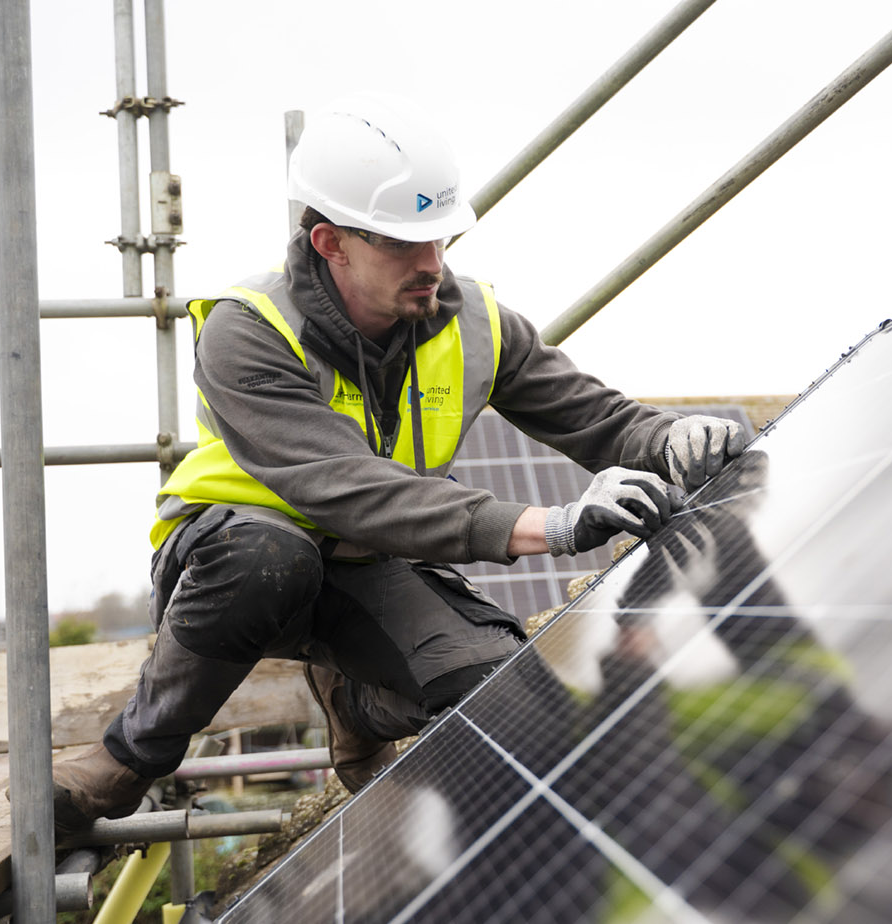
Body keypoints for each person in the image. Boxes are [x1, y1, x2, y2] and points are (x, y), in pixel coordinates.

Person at [49, 95, 745, 835]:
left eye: (441, 239)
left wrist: (669, 439)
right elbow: (342, 488)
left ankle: (355, 707)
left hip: (373, 563)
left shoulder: (475, 320)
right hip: (234, 559)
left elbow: (596, 417)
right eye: (401, 244)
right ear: (329, 242)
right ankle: (130, 757)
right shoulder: (247, 329)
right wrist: (548, 524)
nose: (431, 265)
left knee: (497, 686)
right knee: (271, 556)